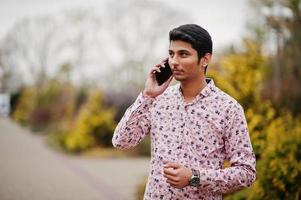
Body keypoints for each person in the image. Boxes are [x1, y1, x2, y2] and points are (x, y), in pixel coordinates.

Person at [112, 24, 256, 199]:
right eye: (171, 54)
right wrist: (147, 95)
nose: (174, 61)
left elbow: (246, 173)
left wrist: (194, 177)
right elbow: (121, 141)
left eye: (183, 54)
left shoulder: (228, 109)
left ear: (205, 59)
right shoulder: (157, 100)